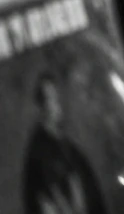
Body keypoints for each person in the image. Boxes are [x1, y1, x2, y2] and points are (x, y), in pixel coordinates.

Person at [23, 75, 107, 214]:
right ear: (41, 107)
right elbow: (50, 192)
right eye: (51, 99)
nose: (58, 104)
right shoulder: (39, 150)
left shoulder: (64, 143)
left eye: (57, 97)